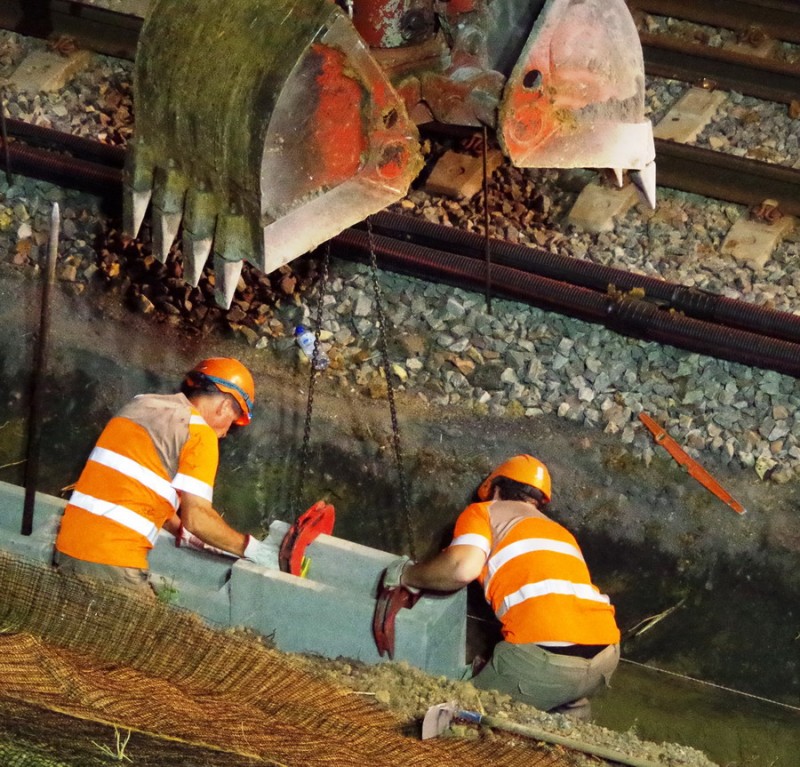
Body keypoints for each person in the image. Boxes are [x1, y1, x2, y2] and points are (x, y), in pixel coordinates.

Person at [384, 454, 620, 720]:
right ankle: (570, 711)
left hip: (546, 662)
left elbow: (461, 568)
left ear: (494, 489)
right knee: (556, 698)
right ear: (536, 502)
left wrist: (408, 575)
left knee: (447, 715)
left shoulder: (484, 512)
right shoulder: (560, 532)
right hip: (606, 656)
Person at [53, 357, 275, 594]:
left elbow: (139, 489)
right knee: (158, 630)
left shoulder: (140, 404)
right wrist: (252, 549)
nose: (224, 433)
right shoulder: (200, 434)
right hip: (114, 561)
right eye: (231, 422)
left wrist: (183, 532)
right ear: (224, 407)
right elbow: (198, 518)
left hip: (66, 551)